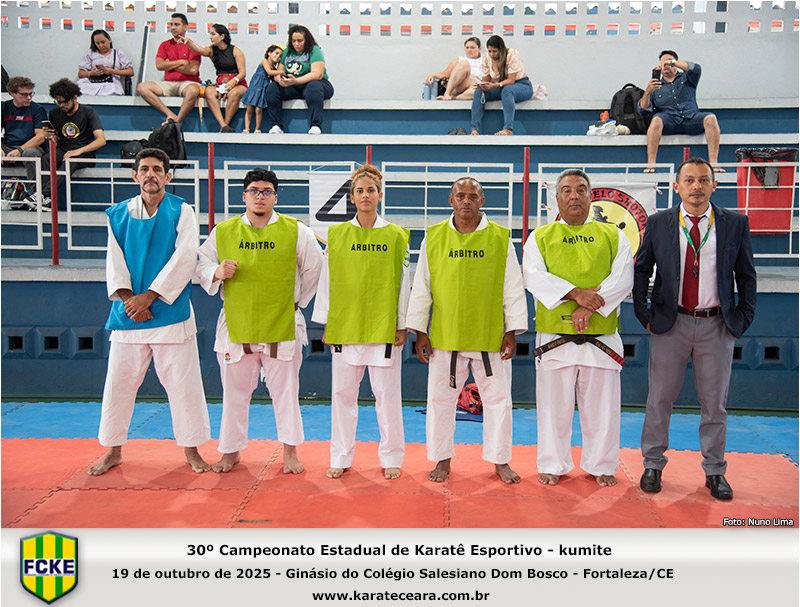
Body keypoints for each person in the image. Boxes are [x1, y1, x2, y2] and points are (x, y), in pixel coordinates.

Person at [633, 158, 757, 500]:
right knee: (659, 398)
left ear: (714, 185)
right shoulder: (659, 222)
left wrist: (743, 317)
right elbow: (641, 269)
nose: (697, 186)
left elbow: (746, 274)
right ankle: (652, 464)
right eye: (689, 180)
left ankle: (715, 471)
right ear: (676, 186)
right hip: (670, 323)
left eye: (704, 180)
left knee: (715, 403)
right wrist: (644, 313)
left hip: (716, 324)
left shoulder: (735, 223)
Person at [89, 148, 211, 476]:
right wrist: (131, 300)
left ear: (168, 176)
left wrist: (150, 298)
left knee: (184, 386)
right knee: (118, 385)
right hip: (128, 313)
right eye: (144, 169)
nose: (150, 175)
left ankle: (192, 451)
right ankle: (113, 450)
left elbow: (186, 257)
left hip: (170, 313)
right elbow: (114, 262)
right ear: (135, 175)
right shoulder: (117, 214)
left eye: (157, 169)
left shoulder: (181, 210)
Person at [196, 168, 323, 474]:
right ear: (244, 196)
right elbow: (202, 264)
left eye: (267, 191)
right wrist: (216, 272)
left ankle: (290, 451)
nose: (260, 196)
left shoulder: (296, 230)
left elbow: (314, 269)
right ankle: (230, 451)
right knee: (235, 394)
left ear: (275, 197)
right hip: (236, 322)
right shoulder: (223, 231)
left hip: (282, 321)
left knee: (286, 392)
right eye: (254, 191)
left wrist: (295, 302)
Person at [406, 177, 527, 484]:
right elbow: (422, 287)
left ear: (482, 201)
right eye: (460, 196)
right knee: (440, 400)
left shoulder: (500, 238)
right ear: (451, 200)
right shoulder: (434, 237)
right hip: (445, 334)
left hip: (489, 333)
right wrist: (420, 331)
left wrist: (512, 329)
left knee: (499, 401)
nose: (466, 201)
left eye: (473, 196)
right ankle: (442, 460)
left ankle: (500, 461)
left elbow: (513, 286)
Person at [523, 169, 633, 487]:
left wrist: (588, 305)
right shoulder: (540, 237)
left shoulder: (613, 236)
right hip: (555, 337)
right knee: (552, 408)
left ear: (590, 196)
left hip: (601, 335)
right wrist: (576, 294)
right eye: (567, 190)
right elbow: (533, 276)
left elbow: (623, 277)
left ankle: (601, 464)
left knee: (602, 408)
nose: (574, 195)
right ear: (557, 198)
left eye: (581, 189)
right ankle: (552, 463)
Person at [311, 165, 411, 480]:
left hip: (384, 326)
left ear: (380, 195)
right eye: (359, 191)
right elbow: (327, 281)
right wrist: (326, 321)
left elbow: (403, 282)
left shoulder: (397, 235)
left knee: (388, 397)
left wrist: (402, 323)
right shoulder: (337, 235)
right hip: (346, 325)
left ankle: (392, 456)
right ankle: (340, 456)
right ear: (352, 197)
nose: (365, 195)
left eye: (371, 190)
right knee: (342, 396)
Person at [26, 78, 105, 209]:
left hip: (84, 153)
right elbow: (56, 142)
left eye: (65, 102)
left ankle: (43, 195)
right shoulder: (54, 113)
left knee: (70, 161)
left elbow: (101, 140)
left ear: (75, 97)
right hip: (64, 150)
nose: (62, 105)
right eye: (59, 102)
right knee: (46, 158)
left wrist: (78, 151)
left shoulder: (88, 112)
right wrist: (51, 137)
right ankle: (46, 200)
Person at [639, 51, 723, 173]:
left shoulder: (686, 78)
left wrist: (672, 62)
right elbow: (643, 109)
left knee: (711, 118)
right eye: (662, 62)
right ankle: (651, 164)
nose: (665, 65)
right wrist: (647, 92)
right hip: (669, 121)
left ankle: (714, 163)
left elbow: (696, 68)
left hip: (691, 119)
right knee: (656, 119)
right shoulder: (655, 85)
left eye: (668, 61)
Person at [264, 25, 334, 135]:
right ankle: (276, 125)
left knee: (313, 87)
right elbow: (279, 72)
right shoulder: (287, 52)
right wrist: (279, 80)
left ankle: (315, 125)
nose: (296, 44)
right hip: (293, 86)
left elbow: (317, 74)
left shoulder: (314, 50)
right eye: (294, 41)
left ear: (306, 40)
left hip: (315, 85)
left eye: (300, 41)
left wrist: (296, 81)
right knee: (272, 88)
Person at [179, 24, 247, 133]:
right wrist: (188, 42)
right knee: (209, 91)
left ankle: (226, 124)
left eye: (213, 34)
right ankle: (223, 125)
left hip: (237, 83)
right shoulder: (211, 50)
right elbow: (198, 49)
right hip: (220, 83)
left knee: (234, 93)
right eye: (210, 34)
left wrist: (233, 82)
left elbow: (242, 73)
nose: (210, 37)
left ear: (222, 36)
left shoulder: (235, 50)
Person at [136, 12, 201, 125]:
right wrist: (181, 62)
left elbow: (192, 70)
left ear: (185, 27)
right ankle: (170, 114)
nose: (173, 27)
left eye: (177, 24)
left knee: (193, 90)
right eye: (171, 24)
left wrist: (169, 64)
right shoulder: (164, 45)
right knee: (142, 87)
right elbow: (159, 65)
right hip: (168, 83)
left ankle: (177, 121)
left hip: (187, 83)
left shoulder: (192, 46)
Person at [470, 35, 533, 136]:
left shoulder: (512, 54)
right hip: (501, 87)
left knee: (507, 89)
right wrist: (482, 85)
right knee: (479, 92)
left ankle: (508, 128)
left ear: (501, 49)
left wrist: (494, 85)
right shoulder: (486, 58)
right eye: (490, 51)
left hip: (521, 85)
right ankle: (474, 129)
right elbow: (486, 79)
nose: (492, 54)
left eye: (495, 51)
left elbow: (511, 80)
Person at [76, 29, 134, 96]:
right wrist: (91, 73)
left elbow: (130, 72)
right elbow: (81, 73)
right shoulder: (90, 53)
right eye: (97, 43)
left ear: (109, 40)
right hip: (92, 83)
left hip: (111, 84)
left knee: (110, 91)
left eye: (103, 42)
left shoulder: (118, 54)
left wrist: (112, 71)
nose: (101, 46)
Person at [1, 76, 45, 160]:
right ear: (12, 93)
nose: (28, 98)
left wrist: (19, 150)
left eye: (30, 94)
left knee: (30, 153)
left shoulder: (37, 109)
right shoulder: (3, 107)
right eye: (24, 94)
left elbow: (40, 137)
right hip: (8, 145)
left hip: (29, 147)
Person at [241, 45, 283, 133]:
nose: (277, 57)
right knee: (250, 107)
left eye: (280, 56)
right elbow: (269, 72)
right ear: (269, 53)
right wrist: (283, 71)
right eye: (276, 53)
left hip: (263, 88)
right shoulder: (264, 61)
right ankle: (247, 128)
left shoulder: (274, 68)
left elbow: (274, 77)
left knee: (259, 109)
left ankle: (257, 128)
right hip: (255, 86)